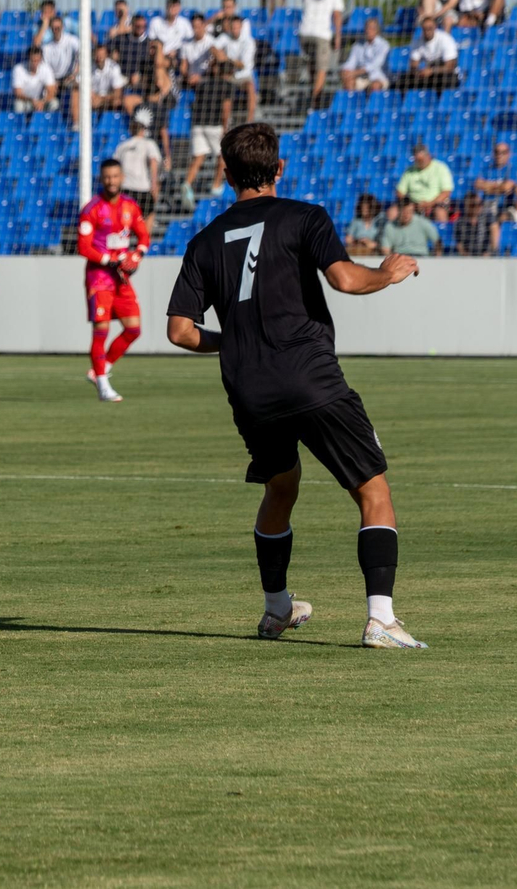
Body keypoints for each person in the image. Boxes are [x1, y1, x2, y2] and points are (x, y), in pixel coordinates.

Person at [165, 122, 427, 650]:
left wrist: (235, 339)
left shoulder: (203, 241)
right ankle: (381, 619)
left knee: (280, 488)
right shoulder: (305, 216)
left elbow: (179, 331)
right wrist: (388, 272)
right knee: (373, 491)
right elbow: (345, 280)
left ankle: (277, 608)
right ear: (279, 168)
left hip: (249, 389)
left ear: (225, 173)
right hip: (310, 378)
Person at [77, 159, 151, 402]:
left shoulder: (130, 206)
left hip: (121, 278)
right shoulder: (92, 209)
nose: (111, 181)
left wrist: (137, 254)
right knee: (101, 330)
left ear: (122, 178)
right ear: (102, 179)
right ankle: (102, 385)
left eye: (115, 176)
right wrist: (109, 259)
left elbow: (143, 236)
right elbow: (84, 247)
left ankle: (102, 366)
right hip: (100, 278)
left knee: (133, 328)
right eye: (107, 177)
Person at [184, 60, 239, 202]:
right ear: (231, 73)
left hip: (197, 125)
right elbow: (226, 108)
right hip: (214, 125)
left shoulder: (203, 83)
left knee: (199, 156)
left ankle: (187, 184)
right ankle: (216, 186)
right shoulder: (228, 86)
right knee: (223, 156)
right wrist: (225, 127)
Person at [298, 0, 345, 107]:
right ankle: (315, 104)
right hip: (321, 34)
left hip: (304, 33)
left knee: (312, 63)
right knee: (322, 69)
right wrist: (338, 36)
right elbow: (337, 15)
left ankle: (312, 90)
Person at [113, 111, 163, 225]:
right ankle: (145, 242)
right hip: (143, 188)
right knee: (148, 216)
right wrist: (154, 183)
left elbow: (115, 167)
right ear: (143, 130)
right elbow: (153, 162)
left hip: (125, 189)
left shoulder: (122, 146)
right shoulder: (149, 143)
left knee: (126, 219)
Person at [392, 17, 460, 92]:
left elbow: (450, 66)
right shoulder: (417, 42)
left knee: (445, 81)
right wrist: (419, 72)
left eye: (430, 28)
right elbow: (414, 65)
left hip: (445, 74)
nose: (427, 31)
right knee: (400, 82)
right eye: (425, 29)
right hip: (428, 74)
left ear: (435, 27)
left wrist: (432, 70)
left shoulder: (446, 39)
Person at [213, 14, 258, 122]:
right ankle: (225, 124)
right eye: (233, 28)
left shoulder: (249, 42)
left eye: (237, 27)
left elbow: (242, 65)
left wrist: (226, 59)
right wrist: (218, 55)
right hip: (228, 76)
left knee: (251, 87)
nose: (235, 30)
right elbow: (212, 47)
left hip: (244, 77)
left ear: (241, 27)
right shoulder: (225, 37)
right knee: (225, 89)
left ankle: (249, 121)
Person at [396, 142, 454, 221]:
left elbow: (446, 191)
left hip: (436, 204)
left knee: (440, 212)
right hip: (413, 204)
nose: (419, 162)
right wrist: (410, 204)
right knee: (394, 211)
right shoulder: (409, 171)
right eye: (417, 160)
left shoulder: (441, 168)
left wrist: (430, 203)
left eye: (421, 159)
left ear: (428, 156)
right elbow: (400, 191)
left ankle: (441, 232)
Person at [73, 41, 126, 127]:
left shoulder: (114, 67)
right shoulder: (88, 66)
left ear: (106, 55)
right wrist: (90, 94)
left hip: (107, 99)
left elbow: (118, 93)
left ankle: (116, 125)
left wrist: (101, 99)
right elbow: (77, 83)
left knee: (118, 101)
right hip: (91, 98)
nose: (99, 58)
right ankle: (76, 125)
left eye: (102, 55)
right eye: (97, 55)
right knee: (75, 93)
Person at [114, 12, 154, 114]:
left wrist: (140, 76)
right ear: (132, 26)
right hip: (121, 77)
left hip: (141, 80)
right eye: (138, 26)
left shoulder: (149, 43)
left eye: (144, 26)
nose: (141, 28)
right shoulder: (121, 39)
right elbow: (104, 51)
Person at [339, 17, 390, 93]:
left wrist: (354, 72)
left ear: (377, 31)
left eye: (371, 28)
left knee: (375, 86)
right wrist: (345, 71)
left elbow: (374, 65)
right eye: (367, 28)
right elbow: (350, 63)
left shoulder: (384, 45)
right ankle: (351, 104)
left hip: (377, 77)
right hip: (360, 78)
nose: (368, 30)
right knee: (348, 82)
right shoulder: (357, 45)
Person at [39, 14, 82, 89]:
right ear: (50, 29)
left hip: (70, 77)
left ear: (62, 27)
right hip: (53, 80)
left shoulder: (72, 41)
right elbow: (45, 67)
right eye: (54, 28)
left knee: (79, 82)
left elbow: (83, 55)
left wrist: (74, 74)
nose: (56, 30)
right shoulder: (46, 47)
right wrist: (52, 81)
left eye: (58, 28)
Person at [473, 141, 517, 214]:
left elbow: (507, 187)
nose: (499, 155)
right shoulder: (487, 169)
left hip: (504, 207)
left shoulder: (512, 170)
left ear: (509, 154)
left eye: (503, 152)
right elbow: (477, 184)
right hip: (487, 205)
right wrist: (500, 186)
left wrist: (488, 188)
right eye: (496, 152)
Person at [11, 47, 58, 113]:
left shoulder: (46, 69)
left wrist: (42, 102)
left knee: (54, 103)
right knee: (18, 105)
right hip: (26, 101)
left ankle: (50, 122)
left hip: (42, 101)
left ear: (41, 60)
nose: (35, 63)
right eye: (32, 60)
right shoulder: (18, 69)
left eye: (37, 60)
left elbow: (51, 91)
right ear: (28, 59)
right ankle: (19, 122)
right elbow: (18, 93)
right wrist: (32, 100)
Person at [451, 191, 499, 256]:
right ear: (466, 207)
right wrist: (468, 258)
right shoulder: (460, 223)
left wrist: (488, 254)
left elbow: (494, 237)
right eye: (473, 205)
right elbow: (459, 245)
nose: (478, 207)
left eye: (480, 204)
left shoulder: (488, 217)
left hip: (486, 256)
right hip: (468, 258)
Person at [177, 12, 217, 90]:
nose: (196, 30)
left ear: (204, 25)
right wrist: (188, 76)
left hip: (206, 77)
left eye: (198, 27)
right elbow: (183, 65)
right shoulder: (186, 43)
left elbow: (213, 65)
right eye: (194, 27)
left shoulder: (212, 42)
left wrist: (200, 77)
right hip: (189, 77)